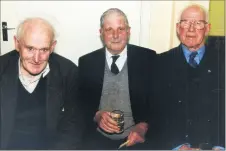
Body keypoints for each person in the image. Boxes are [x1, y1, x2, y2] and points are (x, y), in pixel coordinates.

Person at [0, 17, 84, 149]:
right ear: (17, 43)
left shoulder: (68, 72)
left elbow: (73, 125)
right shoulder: (2, 68)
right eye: (30, 48)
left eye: (44, 50)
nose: (37, 59)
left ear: (52, 47)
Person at [78, 8, 156, 149]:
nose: (115, 35)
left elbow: (158, 103)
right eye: (109, 30)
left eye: (121, 29)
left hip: (136, 140)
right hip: (96, 139)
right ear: (101, 33)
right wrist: (97, 115)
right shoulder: (86, 62)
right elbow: (80, 105)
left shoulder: (148, 58)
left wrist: (142, 127)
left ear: (128, 31)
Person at [151, 4, 225, 150]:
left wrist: (220, 146)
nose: (191, 29)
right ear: (178, 28)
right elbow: (155, 113)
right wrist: (177, 145)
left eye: (198, 23)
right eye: (186, 23)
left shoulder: (222, 61)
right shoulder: (160, 63)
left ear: (207, 28)